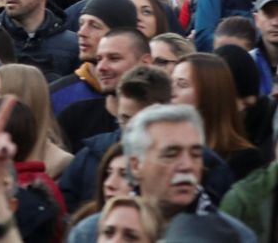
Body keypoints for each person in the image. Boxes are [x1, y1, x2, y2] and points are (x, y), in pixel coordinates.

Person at [67, 104, 256, 243]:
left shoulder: (235, 237)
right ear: (136, 165)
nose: (187, 165)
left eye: (195, 154)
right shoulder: (93, 233)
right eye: (171, 154)